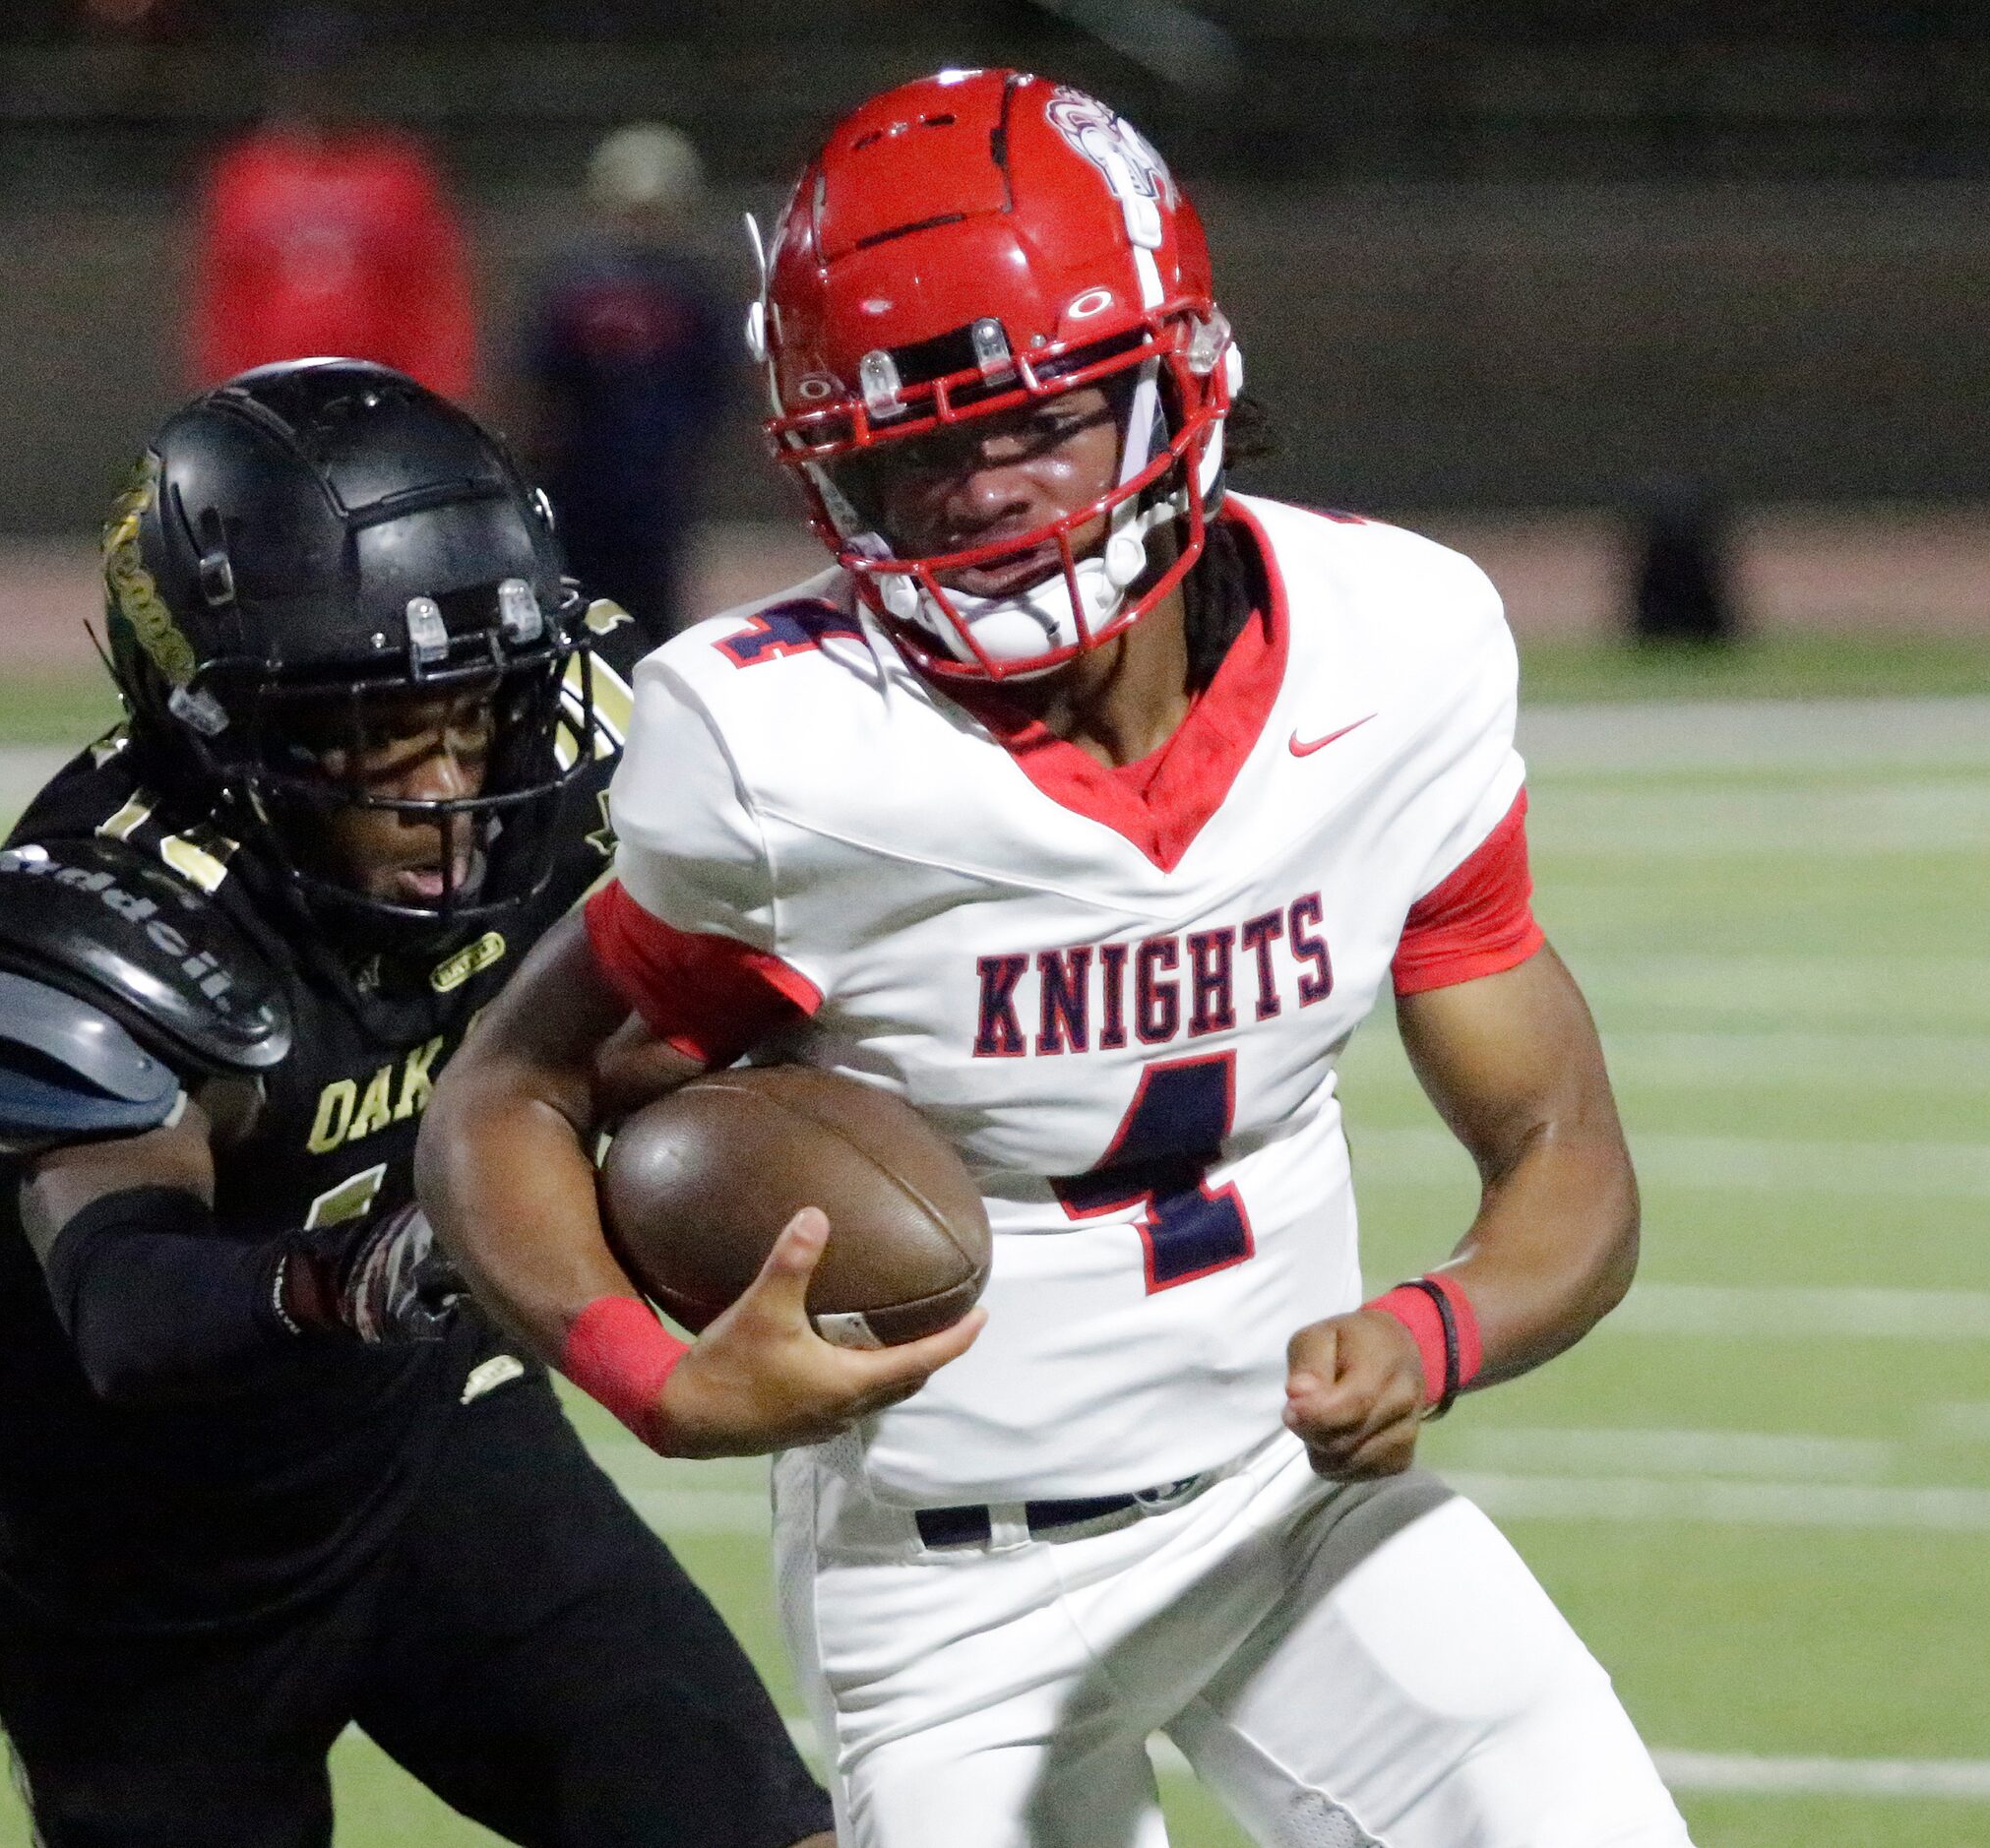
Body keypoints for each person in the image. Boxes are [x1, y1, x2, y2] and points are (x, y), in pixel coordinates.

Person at [418, 72, 1696, 1848]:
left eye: (1038, 420)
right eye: (917, 445)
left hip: (1290, 1515)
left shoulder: (1391, 650)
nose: (980, 487)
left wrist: (1438, 1323)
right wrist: (649, 1370)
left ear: (1178, 372)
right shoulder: (784, 751)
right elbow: (509, 1087)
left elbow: (1559, 1147)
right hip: (950, 1595)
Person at [0, 360, 832, 1848]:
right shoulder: (126, 908)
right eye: (371, 731)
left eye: (472, 713)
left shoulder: (576, 732)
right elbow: (126, 1300)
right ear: (221, 733)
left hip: (429, 1440)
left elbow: (666, 1012)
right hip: (149, 1577)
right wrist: (385, 1267)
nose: (446, 787)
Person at [517, 123, 740, 647]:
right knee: (577, 601)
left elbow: (714, 379)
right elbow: (541, 380)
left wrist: (690, 447)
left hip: (654, 480)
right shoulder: (575, 286)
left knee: (651, 613)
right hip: (582, 477)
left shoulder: (689, 289)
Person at [189, 5, 474, 400]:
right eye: (309, 73)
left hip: (383, 398)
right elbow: (222, 307)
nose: (321, 88)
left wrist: (431, 398)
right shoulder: (245, 174)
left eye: (333, 73)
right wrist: (230, 398)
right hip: (271, 398)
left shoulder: (398, 173)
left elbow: (438, 306)